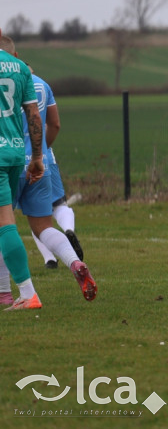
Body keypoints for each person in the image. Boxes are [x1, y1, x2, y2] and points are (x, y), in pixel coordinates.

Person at [0, 37, 96, 301]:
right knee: (43, 225)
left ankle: (6, 292)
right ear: (16, 54)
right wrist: (40, 153)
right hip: (35, 158)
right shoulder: (35, 81)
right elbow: (53, 123)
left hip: (6, 158)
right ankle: (74, 262)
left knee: (4, 225)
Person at [0, 35, 45, 310]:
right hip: (15, 152)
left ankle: (28, 293)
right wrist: (37, 157)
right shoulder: (19, 67)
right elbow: (34, 115)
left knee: (5, 224)